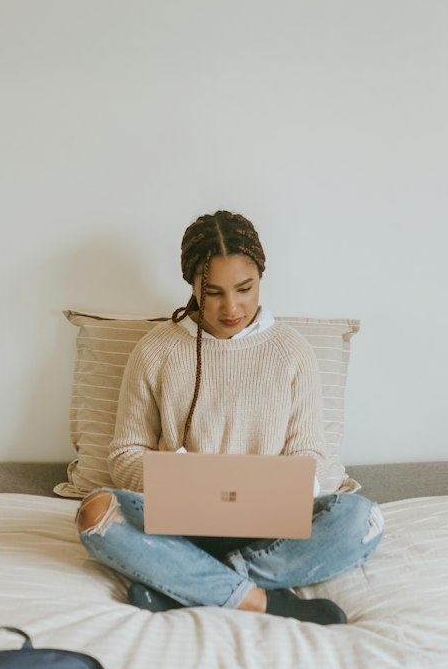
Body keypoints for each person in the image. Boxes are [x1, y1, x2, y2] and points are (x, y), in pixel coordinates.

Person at [75, 210, 384, 625]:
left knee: (362, 520)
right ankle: (262, 599)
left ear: (261, 278)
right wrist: (178, 478)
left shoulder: (292, 351)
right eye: (214, 291)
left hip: (272, 530)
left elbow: (310, 451)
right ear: (192, 285)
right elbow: (125, 453)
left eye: (245, 288)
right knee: (95, 513)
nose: (231, 307)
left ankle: (188, 583)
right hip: (178, 524)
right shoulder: (155, 350)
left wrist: (286, 490)